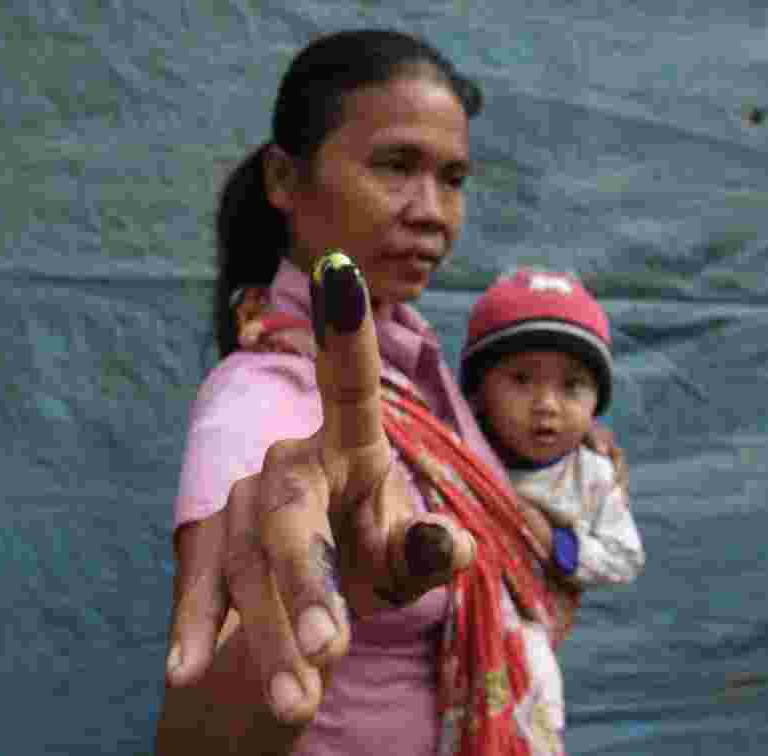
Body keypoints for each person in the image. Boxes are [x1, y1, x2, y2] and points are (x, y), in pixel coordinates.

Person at [156, 29, 627, 756]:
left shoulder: (419, 376)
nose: (432, 211)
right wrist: (340, 576)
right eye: (396, 166)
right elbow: (196, 735)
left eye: (454, 178)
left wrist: (567, 463)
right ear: (285, 180)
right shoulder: (262, 404)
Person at [459, 267, 646, 734]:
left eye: (572, 386)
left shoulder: (592, 477)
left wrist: (559, 543)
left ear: (597, 401)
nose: (547, 404)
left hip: (524, 641)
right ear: (478, 394)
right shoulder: (456, 453)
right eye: (522, 380)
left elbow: (625, 557)